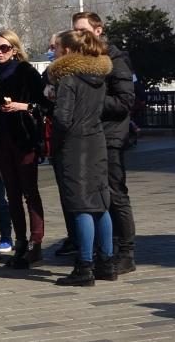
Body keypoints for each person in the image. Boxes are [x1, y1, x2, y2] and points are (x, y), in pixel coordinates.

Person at [48, 30, 115, 286]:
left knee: (80, 206)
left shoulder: (69, 79)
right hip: (96, 140)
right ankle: (106, 262)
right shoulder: (98, 76)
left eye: (56, 48)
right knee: (99, 202)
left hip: (75, 145)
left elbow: (63, 119)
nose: (53, 51)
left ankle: (84, 266)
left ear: (67, 51)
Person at [73, 12, 137, 274]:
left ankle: (126, 252)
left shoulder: (115, 58)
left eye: (83, 30)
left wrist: (90, 100)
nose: (79, 35)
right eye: (75, 30)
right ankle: (100, 249)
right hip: (87, 136)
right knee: (92, 197)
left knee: (114, 193)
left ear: (98, 31)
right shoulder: (79, 59)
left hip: (109, 136)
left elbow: (125, 102)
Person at [0, 30, 49, 269]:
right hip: (2, 140)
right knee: (11, 193)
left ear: (14, 49)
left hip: (24, 138)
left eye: (4, 48)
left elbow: (44, 104)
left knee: (29, 191)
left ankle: (36, 243)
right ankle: (20, 242)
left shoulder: (26, 71)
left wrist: (22, 106)